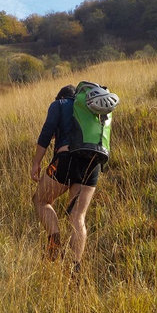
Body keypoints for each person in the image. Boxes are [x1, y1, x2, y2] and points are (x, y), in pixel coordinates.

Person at [31, 84, 105, 269]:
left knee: (41, 200)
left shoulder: (59, 104)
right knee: (77, 217)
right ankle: (74, 269)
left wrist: (36, 163)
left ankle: (54, 243)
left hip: (66, 159)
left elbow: (47, 132)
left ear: (61, 96)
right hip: (93, 162)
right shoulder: (91, 110)